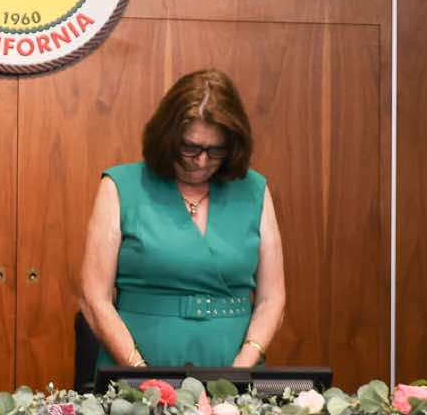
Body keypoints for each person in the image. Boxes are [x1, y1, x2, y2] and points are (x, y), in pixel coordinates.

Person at [79, 69, 286, 372]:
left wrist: (240, 371)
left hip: (236, 369)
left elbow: (272, 299)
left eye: (215, 150)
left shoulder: (254, 190)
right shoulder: (120, 186)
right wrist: (142, 375)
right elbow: (94, 299)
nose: (201, 161)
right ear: (167, 137)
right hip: (136, 369)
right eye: (190, 147)